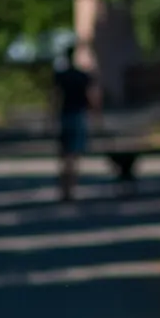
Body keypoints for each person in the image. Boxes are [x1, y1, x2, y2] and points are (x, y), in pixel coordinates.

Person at [52, 48, 99, 202]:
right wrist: (96, 116)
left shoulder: (61, 76)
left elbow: (55, 97)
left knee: (64, 155)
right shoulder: (83, 76)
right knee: (75, 155)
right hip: (79, 116)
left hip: (65, 115)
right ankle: (70, 189)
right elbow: (91, 97)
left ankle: (64, 190)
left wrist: (50, 118)